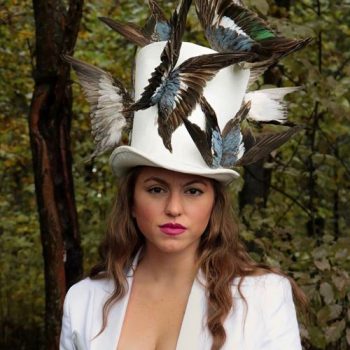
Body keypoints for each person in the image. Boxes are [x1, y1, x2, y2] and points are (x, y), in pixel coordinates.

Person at [60, 1, 309, 349]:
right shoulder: (85, 301)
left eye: (193, 191)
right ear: (132, 200)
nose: (174, 208)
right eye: (156, 189)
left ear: (214, 202)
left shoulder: (263, 298)